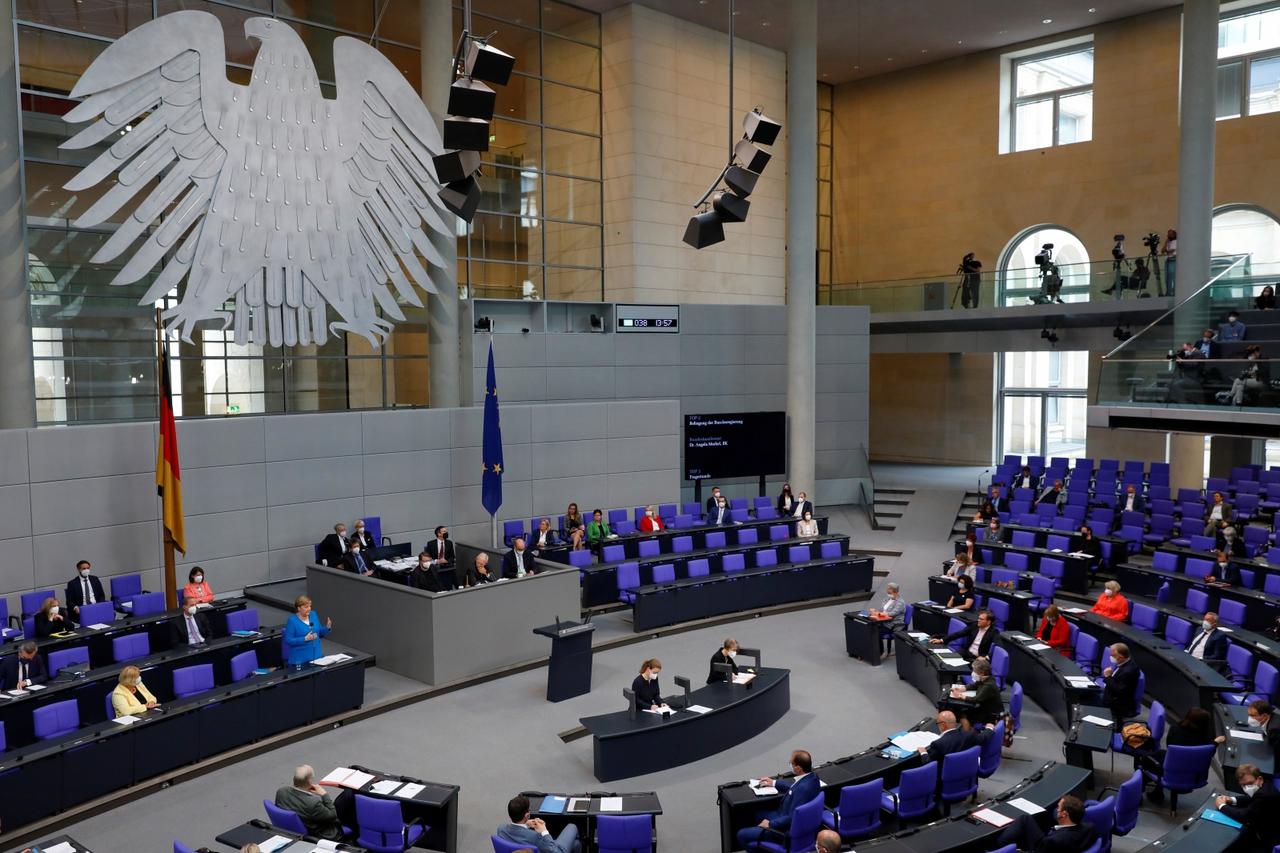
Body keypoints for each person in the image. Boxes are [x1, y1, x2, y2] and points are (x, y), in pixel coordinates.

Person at [734, 750, 822, 849]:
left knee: (741, 835)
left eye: (791, 763)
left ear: (798, 768)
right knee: (757, 814)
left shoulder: (803, 789)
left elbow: (792, 817)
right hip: (791, 819)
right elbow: (795, 788)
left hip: (785, 830)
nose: (790, 765)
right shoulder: (813, 777)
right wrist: (774, 783)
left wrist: (770, 824)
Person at [995, 795, 1096, 853]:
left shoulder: (1052, 841)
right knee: (1026, 819)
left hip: (1043, 848)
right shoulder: (1089, 827)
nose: (1056, 810)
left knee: (1024, 819)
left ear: (1064, 814)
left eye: (1058, 808)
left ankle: (998, 847)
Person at [1214, 764, 1280, 852]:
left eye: (1250, 783)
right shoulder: (1265, 786)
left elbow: (1244, 816)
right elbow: (1251, 798)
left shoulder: (1264, 795)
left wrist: (1221, 806)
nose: (1247, 788)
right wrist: (1232, 800)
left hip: (1268, 840)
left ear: (1259, 779)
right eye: (1243, 785)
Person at [275, 765, 345, 841]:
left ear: (294, 779)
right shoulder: (313, 803)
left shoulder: (281, 791)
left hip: (289, 830)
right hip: (318, 835)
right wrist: (324, 795)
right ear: (310, 781)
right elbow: (332, 815)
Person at [497, 796, 581, 853]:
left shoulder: (501, 829)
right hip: (552, 849)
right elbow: (556, 851)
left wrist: (526, 824)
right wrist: (544, 832)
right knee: (572, 827)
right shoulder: (536, 837)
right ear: (527, 815)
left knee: (576, 844)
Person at [933, 608, 998, 662]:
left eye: (981, 619)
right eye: (979, 618)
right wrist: (942, 640)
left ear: (989, 622)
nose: (978, 620)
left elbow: (996, 648)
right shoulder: (974, 625)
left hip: (979, 658)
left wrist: (986, 657)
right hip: (967, 652)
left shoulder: (994, 632)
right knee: (950, 660)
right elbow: (959, 634)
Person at [284, 595, 332, 666]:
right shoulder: (292, 621)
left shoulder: (313, 614)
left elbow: (319, 631)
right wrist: (305, 639)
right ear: (299, 608)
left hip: (317, 656)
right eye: (306, 607)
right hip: (300, 660)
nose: (309, 609)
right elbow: (288, 640)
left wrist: (327, 628)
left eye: (310, 606)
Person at [955, 656, 1004, 725]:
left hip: (991, 715)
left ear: (982, 673)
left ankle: (969, 733)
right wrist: (963, 688)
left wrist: (961, 696)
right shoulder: (986, 678)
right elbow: (975, 685)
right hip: (983, 707)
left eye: (974, 671)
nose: (973, 673)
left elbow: (976, 699)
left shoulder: (988, 686)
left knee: (963, 715)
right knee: (963, 711)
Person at [1101, 643, 1139, 721]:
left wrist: (1108, 677)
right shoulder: (1126, 662)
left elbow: (1119, 691)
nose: (1110, 657)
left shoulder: (1128, 671)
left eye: (1113, 656)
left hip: (1118, 705)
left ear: (1121, 657)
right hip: (1113, 696)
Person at [870, 582, 907, 654]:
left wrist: (879, 614)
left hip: (892, 624)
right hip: (883, 621)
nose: (887, 591)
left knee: (876, 634)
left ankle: (881, 653)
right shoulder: (887, 599)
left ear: (894, 591)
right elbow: (881, 609)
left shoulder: (900, 602)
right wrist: (875, 611)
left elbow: (892, 614)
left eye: (889, 590)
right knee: (870, 629)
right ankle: (873, 651)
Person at [1164, 229, 1177, 295]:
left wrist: (1167, 251)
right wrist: (1166, 242)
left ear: (1174, 234)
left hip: (1173, 260)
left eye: (1170, 234)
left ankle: (1172, 292)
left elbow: (1171, 251)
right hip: (1167, 260)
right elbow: (1162, 250)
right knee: (1167, 278)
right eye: (1168, 234)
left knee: (1172, 277)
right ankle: (1168, 292)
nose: (1168, 235)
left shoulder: (1176, 241)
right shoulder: (1168, 242)